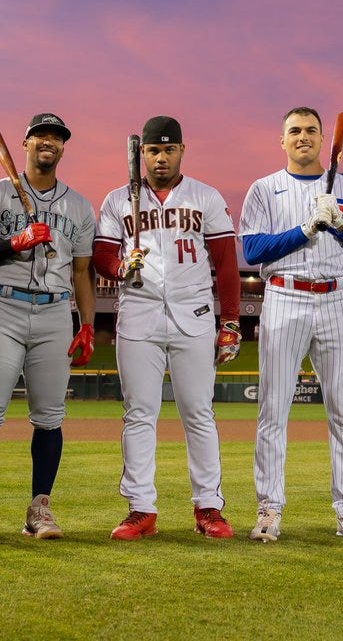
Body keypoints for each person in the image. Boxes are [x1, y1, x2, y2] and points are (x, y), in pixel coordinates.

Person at [92, 116, 241, 540]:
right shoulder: (119, 199)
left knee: (199, 413)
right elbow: (102, 256)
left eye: (168, 149)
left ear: (181, 151)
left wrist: (230, 320)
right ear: (143, 154)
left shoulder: (205, 196)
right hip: (138, 313)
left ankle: (209, 507)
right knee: (140, 414)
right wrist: (122, 265)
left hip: (193, 315)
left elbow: (226, 264)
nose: (161, 157)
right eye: (153, 150)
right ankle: (141, 509)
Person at [240, 106, 343, 542]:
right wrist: (305, 228)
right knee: (274, 410)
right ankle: (269, 508)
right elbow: (252, 249)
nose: (303, 137)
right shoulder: (264, 188)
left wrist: (340, 226)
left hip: (338, 296)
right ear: (282, 140)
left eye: (311, 131)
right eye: (294, 131)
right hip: (284, 295)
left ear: (324, 140)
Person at [0, 113, 96, 543]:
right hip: (4, 305)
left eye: (56, 137)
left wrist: (87, 324)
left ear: (62, 147)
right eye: (40, 136)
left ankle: (40, 507)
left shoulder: (80, 207)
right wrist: (12, 243)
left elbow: (82, 273)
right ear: (26, 143)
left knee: (50, 417)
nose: (48, 143)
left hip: (56, 313)